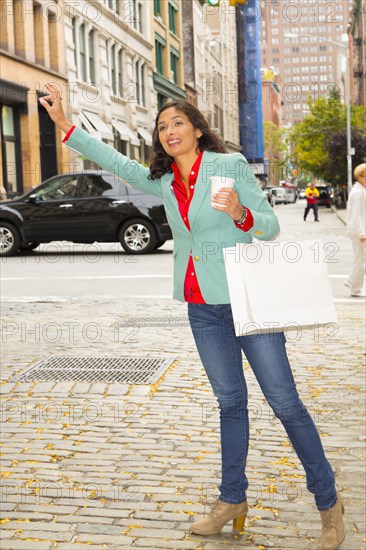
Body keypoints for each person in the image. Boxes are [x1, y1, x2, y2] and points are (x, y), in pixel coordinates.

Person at [39, 83, 345, 550]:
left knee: (285, 403)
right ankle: (232, 500)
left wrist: (242, 212)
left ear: (198, 130)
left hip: (248, 304)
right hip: (202, 309)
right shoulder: (164, 181)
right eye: (162, 127)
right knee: (230, 404)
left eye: (177, 122)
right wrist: (65, 124)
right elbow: (117, 163)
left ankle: (327, 503)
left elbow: (270, 225)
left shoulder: (229, 166)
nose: (168, 131)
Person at [345, 163, 366, 298]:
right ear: (360, 176)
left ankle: (351, 280)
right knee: (361, 261)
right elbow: (356, 214)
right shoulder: (357, 192)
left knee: (362, 259)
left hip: (360, 229)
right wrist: (361, 233)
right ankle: (356, 289)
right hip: (358, 231)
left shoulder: (361, 190)